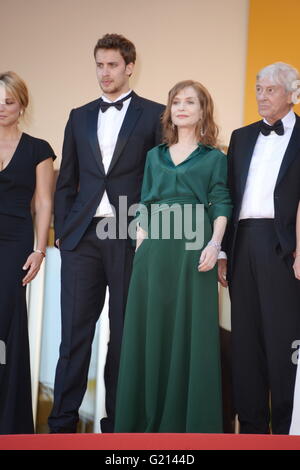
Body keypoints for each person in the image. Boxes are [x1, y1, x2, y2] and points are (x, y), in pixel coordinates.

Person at [48, 34, 164, 434]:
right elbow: (67, 180)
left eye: (112, 65)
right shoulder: (78, 115)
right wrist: (62, 229)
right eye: (99, 64)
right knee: (74, 335)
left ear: (129, 66)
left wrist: (150, 230)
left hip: (129, 235)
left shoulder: (155, 115)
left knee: (124, 335)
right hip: (81, 237)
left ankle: (117, 427)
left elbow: (161, 178)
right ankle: (60, 424)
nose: (104, 72)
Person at [114, 80, 232, 432]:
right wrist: (140, 242)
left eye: (190, 102)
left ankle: (186, 425)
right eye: (176, 102)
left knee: (191, 333)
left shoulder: (215, 158)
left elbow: (221, 201)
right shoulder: (154, 156)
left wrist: (215, 244)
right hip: (154, 252)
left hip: (195, 250)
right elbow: (146, 202)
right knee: (151, 331)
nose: (181, 107)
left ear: (202, 111)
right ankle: (144, 421)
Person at [218, 62, 300, 434]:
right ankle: (250, 432)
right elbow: (228, 197)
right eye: (258, 88)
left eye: (270, 90)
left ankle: (286, 431)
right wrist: (221, 251)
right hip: (242, 243)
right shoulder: (241, 136)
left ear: (291, 94)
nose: (261, 96)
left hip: (284, 245)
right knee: (246, 342)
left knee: (283, 340)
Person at [0, 71, 55, 434]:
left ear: (22, 105)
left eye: (9, 101)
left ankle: (9, 421)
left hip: (14, 243)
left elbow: (44, 201)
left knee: (6, 325)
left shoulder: (38, 148)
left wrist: (39, 249)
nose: (1, 108)